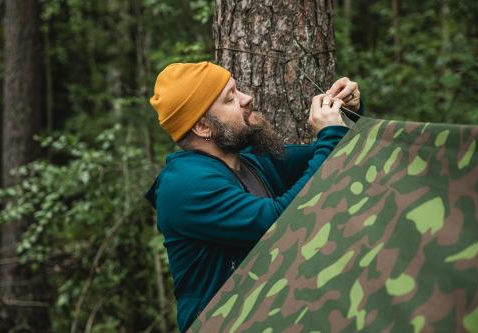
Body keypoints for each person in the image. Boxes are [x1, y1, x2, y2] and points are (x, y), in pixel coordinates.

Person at [144, 61, 362, 332]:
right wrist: (331, 135)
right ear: (203, 126)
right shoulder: (185, 185)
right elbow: (278, 222)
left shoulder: (249, 162)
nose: (247, 98)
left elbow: (337, 155)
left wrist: (346, 114)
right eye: (231, 97)